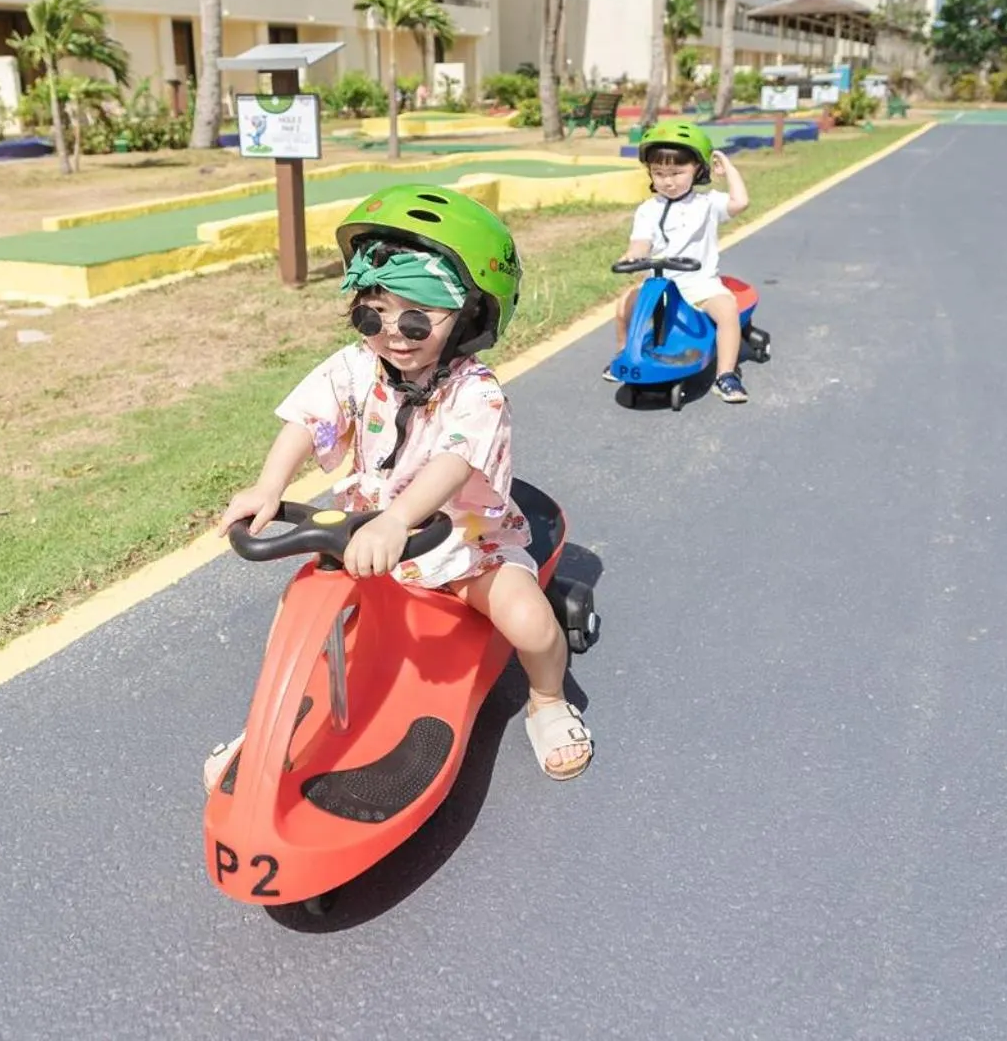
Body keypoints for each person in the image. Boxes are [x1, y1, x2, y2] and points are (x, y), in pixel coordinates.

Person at [209, 185, 593, 786]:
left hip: (461, 545)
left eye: (417, 317)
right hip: (368, 536)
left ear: (467, 316)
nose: (392, 333)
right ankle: (277, 723)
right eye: (371, 313)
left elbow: (452, 463)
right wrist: (268, 485)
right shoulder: (356, 367)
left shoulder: (477, 391)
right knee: (298, 613)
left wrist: (398, 519)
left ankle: (547, 701)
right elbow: (306, 420)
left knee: (529, 620)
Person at [609, 121, 753, 402]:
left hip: (700, 285)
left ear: (698, 169)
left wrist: (729, 169)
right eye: (659, 173)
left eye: (677, 172)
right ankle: (624, 355)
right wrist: (633, 255)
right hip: (660, 285)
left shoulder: (708, 203)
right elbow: (640, 243)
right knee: (624, 304)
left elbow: (740, 203)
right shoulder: (648, 210)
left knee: (727, 310)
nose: (668, 181)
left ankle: (725, 375)